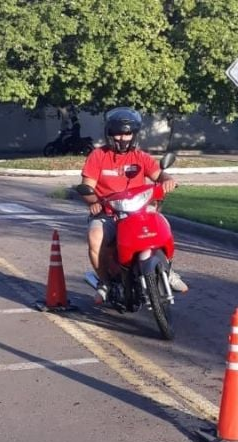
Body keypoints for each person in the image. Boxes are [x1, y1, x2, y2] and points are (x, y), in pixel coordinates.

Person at [79, 107, 188, 304]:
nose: (123, 138)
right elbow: (87, 186)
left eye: (127, 133)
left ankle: (169, 270)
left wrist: (168, 180)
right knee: (95, 238)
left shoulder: (140, 157)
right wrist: (94, 202)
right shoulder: (97, 156)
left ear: (134, 134)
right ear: (110, 134)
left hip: (139, 209)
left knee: (163, 226)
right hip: (109, 212)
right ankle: (106, 283)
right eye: (118, 133)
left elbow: (159, 175)